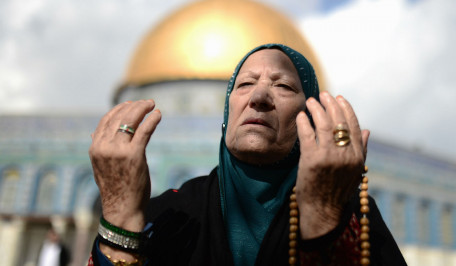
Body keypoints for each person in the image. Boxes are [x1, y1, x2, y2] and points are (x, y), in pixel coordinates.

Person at [88, 44, 406, 265]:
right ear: (227, 110)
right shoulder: (174, 215)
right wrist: (120, 219)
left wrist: (323, 219)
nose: (259, 97)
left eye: (283, 86)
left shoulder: (352, 219)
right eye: (244, 84)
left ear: (309, 115)